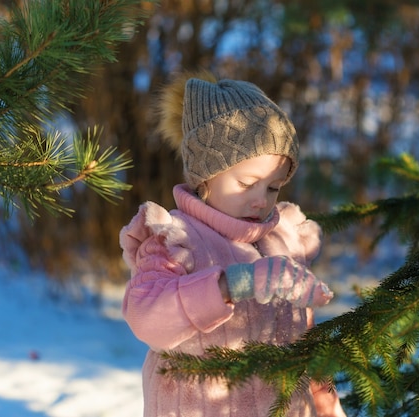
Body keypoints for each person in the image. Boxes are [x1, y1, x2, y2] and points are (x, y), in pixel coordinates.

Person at [119, 71, 346, 417]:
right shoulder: (177, 240)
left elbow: (303, 338)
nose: (261, 201)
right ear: (205, 177)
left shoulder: (284, 238)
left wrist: (326, 402)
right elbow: (146, 317)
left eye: (273, 187)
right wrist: (233, 284)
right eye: (247, 183)